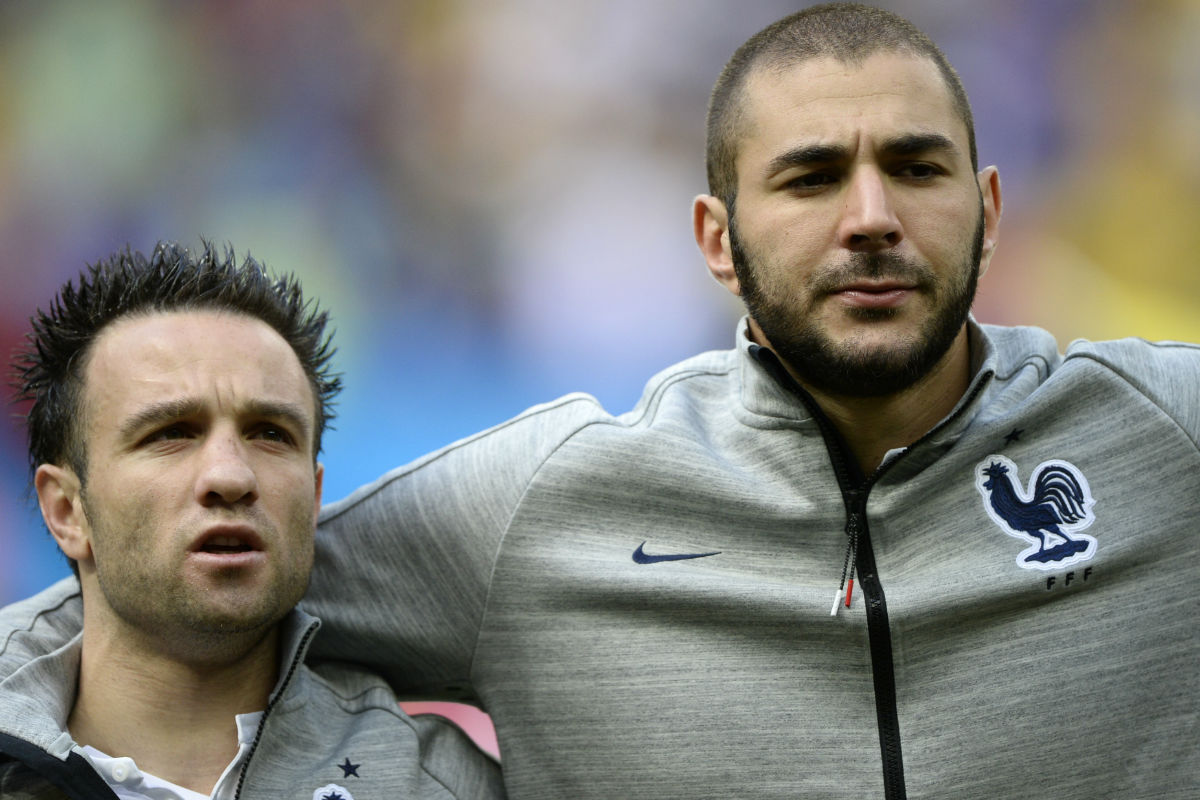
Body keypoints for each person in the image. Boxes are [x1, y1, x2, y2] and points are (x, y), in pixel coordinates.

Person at [298, 4, 1200, 798]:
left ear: (991, 212)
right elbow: (195, 619)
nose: (873, 216)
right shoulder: (536, 511)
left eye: (918, 168)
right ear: (717, 241)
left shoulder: (1163, 431)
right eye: (811, 179)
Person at [0, 243, 504, 799]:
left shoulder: (438, 786)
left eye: (270, 433)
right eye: (171, 433)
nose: (231, 475)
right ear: (67, 510)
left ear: (313, 500)